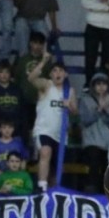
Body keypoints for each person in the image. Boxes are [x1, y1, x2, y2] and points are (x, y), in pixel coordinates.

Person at [27, 52, 78, 193]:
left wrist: (69, 105)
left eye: (60, 71)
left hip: (60, 133)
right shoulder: (47, 85)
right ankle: (42, 186)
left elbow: (75, 112)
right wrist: (43, 61)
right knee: (45, 152)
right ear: (50, 74)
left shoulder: (70, 91)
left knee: (57, 165)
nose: (57, 73)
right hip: (44, 129)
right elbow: (31, 78)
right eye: (54, 71)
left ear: (65, 74)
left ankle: (54, 190)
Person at [78, 73, 109, 194]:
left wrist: (106, 109)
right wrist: (100, 109)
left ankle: (106, 192)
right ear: (93, 86)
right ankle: (92, 191)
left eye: (104, 84)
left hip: (107, 141)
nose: (101, 87)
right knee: (94, 164)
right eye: (98, 84)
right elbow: (86, 120)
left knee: (107, 166)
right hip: (91, 140)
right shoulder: (85, 100)